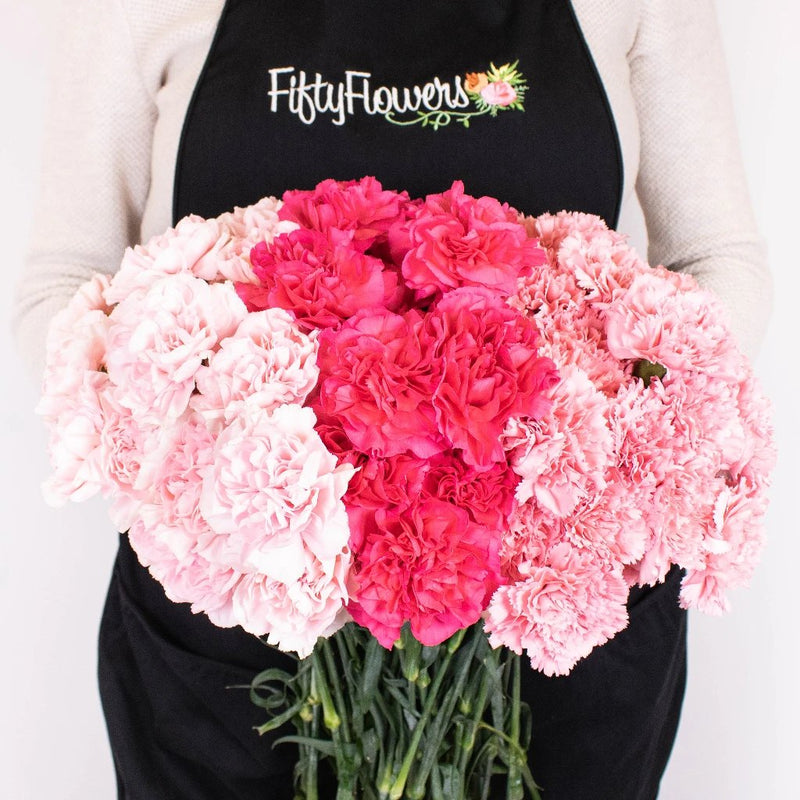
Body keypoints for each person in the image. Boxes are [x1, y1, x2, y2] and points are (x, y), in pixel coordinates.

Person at [13, 1, 772, 798]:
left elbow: (715, 257)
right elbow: (62, 285)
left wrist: (590, 465)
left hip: (552, 608)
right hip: (237, 615)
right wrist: (218, 483)